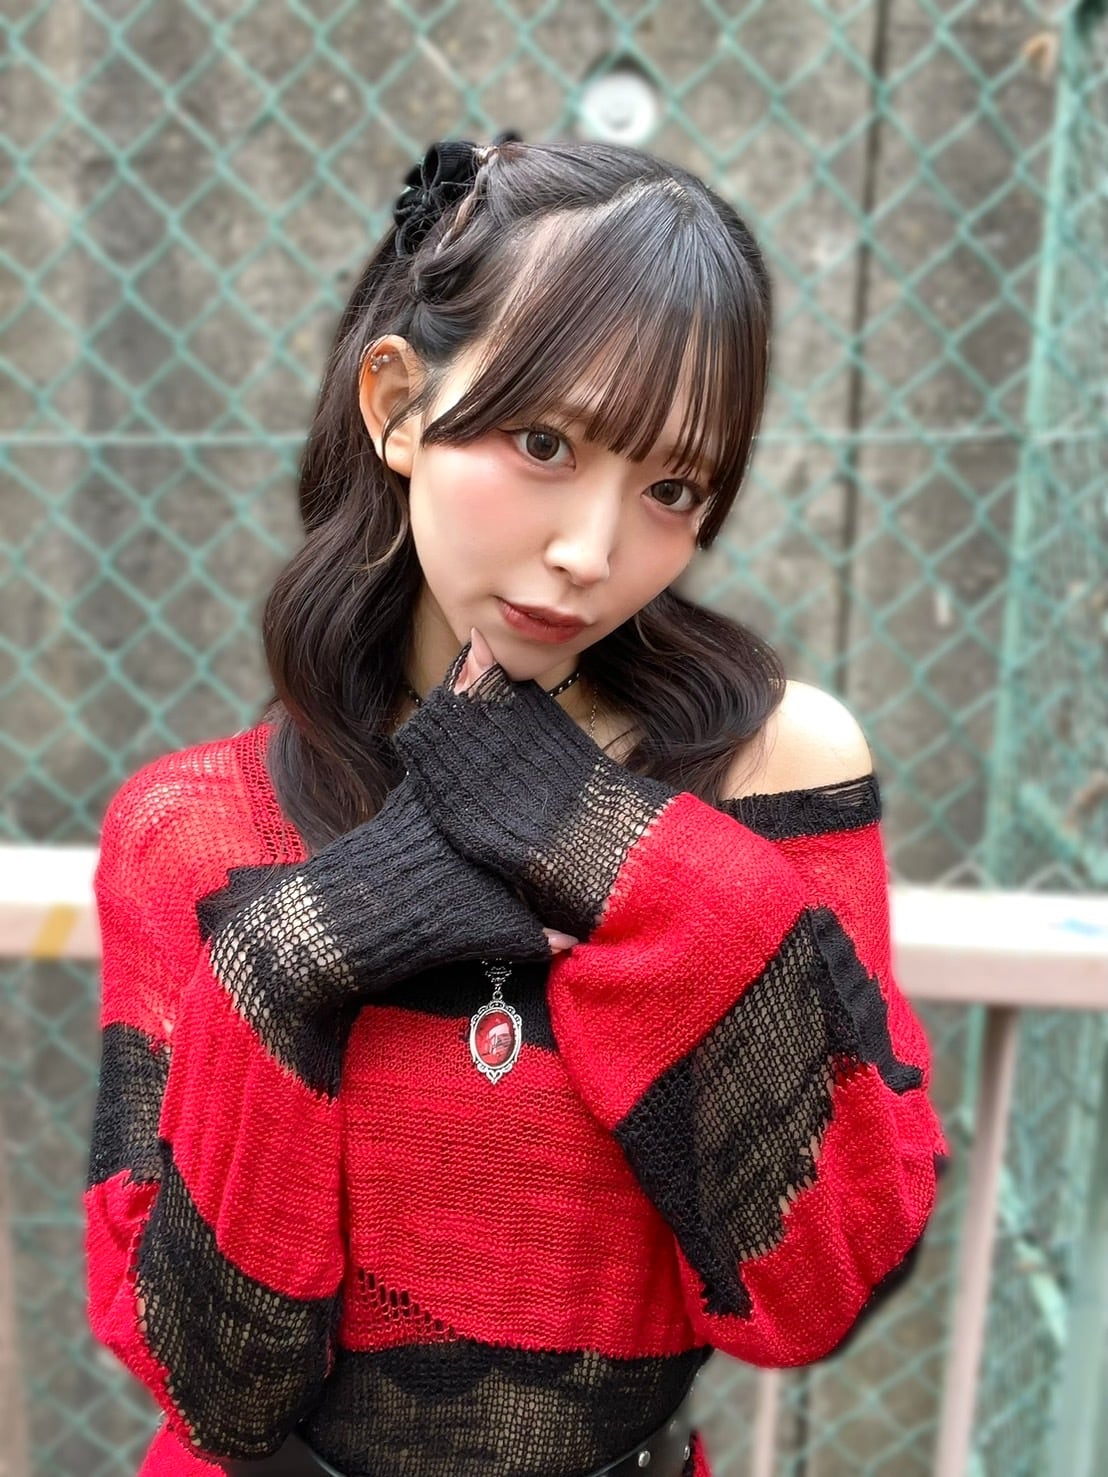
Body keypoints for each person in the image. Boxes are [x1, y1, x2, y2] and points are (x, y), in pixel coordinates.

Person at [84, 135, 947, 1477]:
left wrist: (613, 851)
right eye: (545, 443)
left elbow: (820, 1282)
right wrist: (282, 963)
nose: (592, 552)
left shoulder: (773, 769)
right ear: (397, 405)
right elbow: (207, 1384)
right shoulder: (192, 827)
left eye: (671, 489)